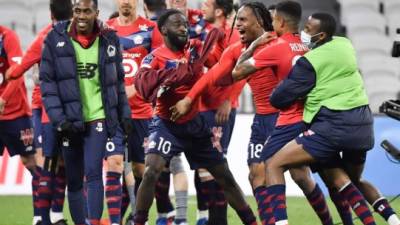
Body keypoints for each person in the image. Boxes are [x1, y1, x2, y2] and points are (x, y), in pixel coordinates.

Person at [265, 12, 398, 225]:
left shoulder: (310, 61)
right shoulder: (345, 44)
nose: (303, 32)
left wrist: (299, 89)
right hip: (364, 125)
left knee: (274, 165)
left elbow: (279, 99)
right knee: (352, 180)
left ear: (321, 36)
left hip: (332, 126)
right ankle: (392, 220)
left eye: (308, 30)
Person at [133, 9, 257, 225]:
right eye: (177, 24)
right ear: (163, 30)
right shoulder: (154, 58)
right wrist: (165, 81)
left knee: (224, 176)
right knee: (151, 170)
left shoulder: (196, 50)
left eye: (184, 24)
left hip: (195, 125)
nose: (183, 28)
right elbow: (142, 84)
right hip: (166, 125)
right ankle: (138, 221)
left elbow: (222, 63)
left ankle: (252, 222)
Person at [231, 2, 338, 225]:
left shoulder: (278, 44)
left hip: (283, 117)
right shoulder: (260, 44)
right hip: (261, 119)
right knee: (256, 174)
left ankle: (326, 220)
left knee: (299, 175)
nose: (238, 25)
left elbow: (236, 72)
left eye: (242, 20)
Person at [39, 0, 132, 224]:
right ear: (73, 12)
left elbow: (118, 82)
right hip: (69, 121)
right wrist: (59, 120)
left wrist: (124, 113)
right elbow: (48, 85)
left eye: (87, 11)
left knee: (93, 174)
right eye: (77, 11)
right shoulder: (55, 39)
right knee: (74, 180)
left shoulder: (109, 39)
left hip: (98, 118)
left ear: (96, 13)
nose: (81, 16)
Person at [6, 1, 73, 224]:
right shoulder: (46, 36)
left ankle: (54, 213)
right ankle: (40, 217)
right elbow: (30, 71)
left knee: (58, 162)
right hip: (41, 106)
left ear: (50, 13)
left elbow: (21, 69)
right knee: (45, 161)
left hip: (57, 108)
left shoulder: (75, 35)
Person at [105, 0, 163, 224]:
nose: (126, 1)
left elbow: (160, 66)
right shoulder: (105, 29)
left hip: (142, 112)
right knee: (114, 163)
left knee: (141, 171)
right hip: (114, 113)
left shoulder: (150, 28)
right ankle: (113, 220)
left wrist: (138, 89)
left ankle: (137, 218)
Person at [0, 24, 40, 225]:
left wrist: (3, 99)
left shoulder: (7, 37)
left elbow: (17, 72)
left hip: (15, 113)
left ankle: (39, 216)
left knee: (32, 163)